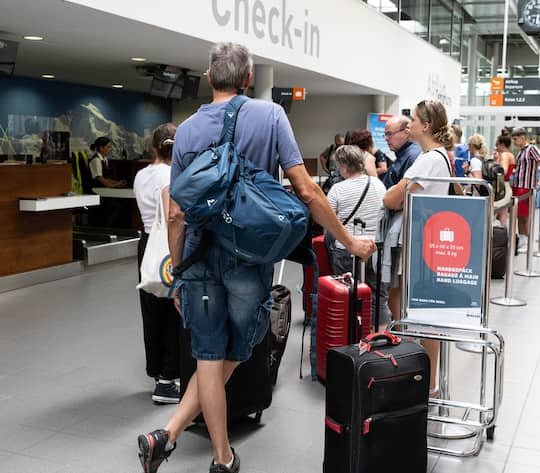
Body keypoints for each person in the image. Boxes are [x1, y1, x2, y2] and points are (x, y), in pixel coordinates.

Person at [137, 42, 375, 473]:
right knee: (238, 350)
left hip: (199, 255)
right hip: (249, 255)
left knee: (208, 355)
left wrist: (178, 274)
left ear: (209, 78)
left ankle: (190, 443)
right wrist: (348, 241)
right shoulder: (270, 116)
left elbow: (175, 212)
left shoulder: (186, 130)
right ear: (248, 79)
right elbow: (306, 189)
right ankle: (212, 454)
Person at [382, 99, 455, 396]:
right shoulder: (439, 157)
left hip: (422, 244)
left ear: (425, 126)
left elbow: (393, 199)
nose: (408, 123)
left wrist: (391, 193)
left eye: (412, 119)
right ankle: (425, 380)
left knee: (423, 317)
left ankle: (427, 383)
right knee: (417, 312)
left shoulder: (429, 161)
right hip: (428, 242)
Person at [133, 124, 182, 404]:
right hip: (166, 247)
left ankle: (157, 372)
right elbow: (171, 215)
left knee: (151, 309)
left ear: (154, 147)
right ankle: (168, 380)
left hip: (147, 246)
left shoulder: (141, 175)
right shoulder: (169, 174)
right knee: (173, 310)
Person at [326, 145, 390, 328]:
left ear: (344, 166)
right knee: (378, 297)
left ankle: (351, 341)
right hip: (375, 249)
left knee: (347, 296)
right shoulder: (378, 184)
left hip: (346, 250)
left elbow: (329, 221)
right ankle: (379, 340)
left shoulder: (337, 189)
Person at [510, 128, 540, 250]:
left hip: (525, 187)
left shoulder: (532, 149)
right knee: (519, 215)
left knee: (524, 215)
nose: (514, 142)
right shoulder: (521, 151)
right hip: (517, 186)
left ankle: (526, 240)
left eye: (515, 139)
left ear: (522, 137)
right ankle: (522, 239)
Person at [381, 115, 422, 189]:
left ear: (406, 132)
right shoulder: (403, 154)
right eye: (385, 134)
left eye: (389, 134)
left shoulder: (412, 157)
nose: (386, 139)